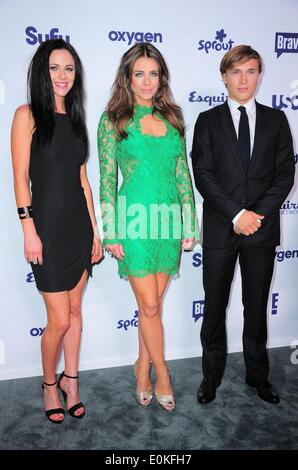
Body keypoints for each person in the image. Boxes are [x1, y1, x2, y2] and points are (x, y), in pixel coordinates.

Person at [191, 45, 295, 405]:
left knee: (256, 306)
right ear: (224, 76)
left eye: (251, 71)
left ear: (260, 75)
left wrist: (255, 216)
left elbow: (285, 175)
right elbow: (202, 174)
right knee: (215, 306)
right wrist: (236, 215)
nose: (244, 79)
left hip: (262, 231)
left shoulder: (276, 120)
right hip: (222, 229)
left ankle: (258, 376)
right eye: (236, 72)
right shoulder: (207, 120)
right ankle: (211, 377)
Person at [98, 42, 197, 411]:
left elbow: (181, 173)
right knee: (151, 306)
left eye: (152, 74)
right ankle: (163, 372)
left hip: (169, 221)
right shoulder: (113, 120)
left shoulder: (173, 118)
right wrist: (111, 230)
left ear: (161, 77)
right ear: (127, 77)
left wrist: (190, 220)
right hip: (134, 221)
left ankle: (141, 367)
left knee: (150, 307)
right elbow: (106, 179)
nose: (146, 81)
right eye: (139, 74)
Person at [11, 39, 102, 423]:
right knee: (59, 320)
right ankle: (50, 383)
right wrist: (29, 230)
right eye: (54, 68)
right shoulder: (27, 115)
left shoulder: (78, 120)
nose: (62, 76)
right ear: (41, 72)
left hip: (79, 230)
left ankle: (72, 381)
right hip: (46, 230)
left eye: (68, 68)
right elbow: (19, 181)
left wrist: (95, 233)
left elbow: (83, 181)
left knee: (77, 312)